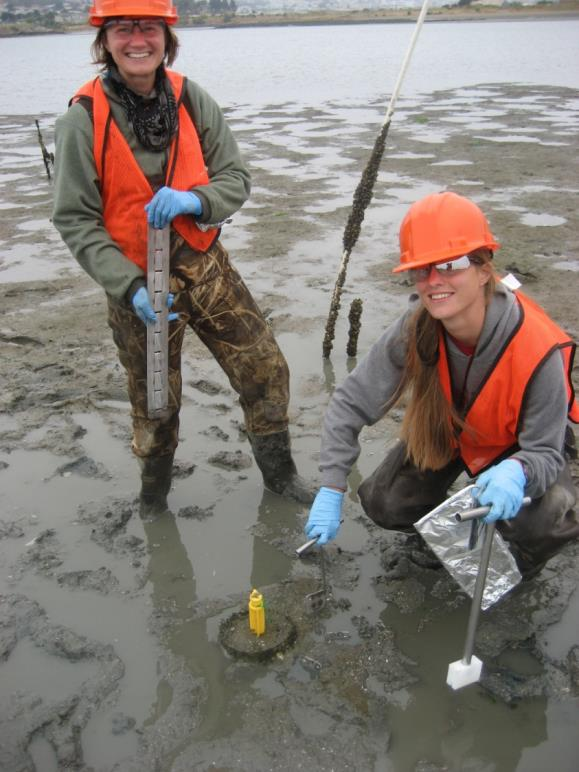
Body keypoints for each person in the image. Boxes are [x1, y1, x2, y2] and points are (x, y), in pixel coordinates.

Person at [52, 0, 314, 514]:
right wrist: (128, 286)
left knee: (265, 370)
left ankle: (280, 478)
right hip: (135, 283)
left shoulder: (191, 97)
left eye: (148, 27)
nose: (137, 40)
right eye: (123, 29)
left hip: (204, 263)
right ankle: (154, 501)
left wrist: (198, 201)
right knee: (156, 406)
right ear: (104, 41)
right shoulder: (81, 119)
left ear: (166, 37)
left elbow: (235, 178)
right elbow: (74, 219)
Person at [305, 191, 579, 579]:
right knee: (384, 501)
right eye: (422, 269)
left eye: (450, 265)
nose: (433, 282)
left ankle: (519, 564)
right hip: (455, 430)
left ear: (484, 269)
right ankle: (447, 539)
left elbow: (547, 452)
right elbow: (350, 402)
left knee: (545, 521)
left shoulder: (538, 348)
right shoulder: (416, 327)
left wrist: (518, 471)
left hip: (521, 447)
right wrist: (331, 487)